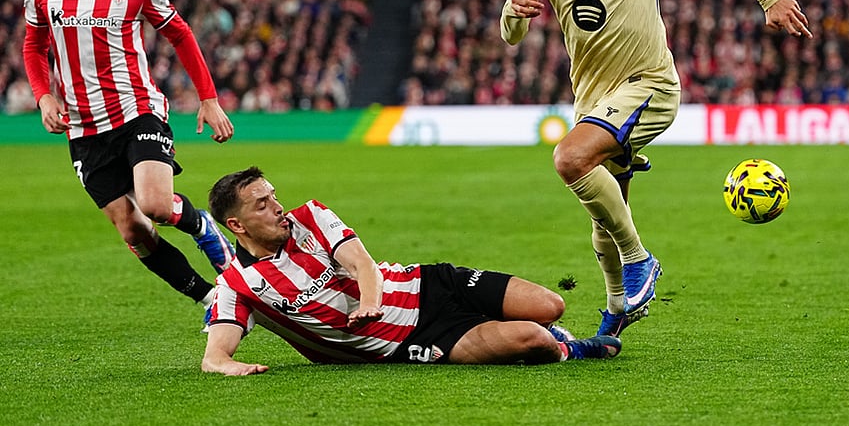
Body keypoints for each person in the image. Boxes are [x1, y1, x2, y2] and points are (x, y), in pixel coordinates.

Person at [500, 0, 812, 337]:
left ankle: (639, 259)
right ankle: (615, 318)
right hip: (592, 97)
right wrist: (512, 15)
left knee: (569, 159)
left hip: (649, 85)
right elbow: (513, 33)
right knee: (605, 214)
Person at [21, 0, 236, 326]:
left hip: (137, 109)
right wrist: (43, 95)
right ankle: (210, 298)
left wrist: (208, 99)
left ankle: (202, 229)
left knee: (156, 205)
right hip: (83, 127)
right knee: (134, 231)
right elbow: (34, 42)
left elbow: (179, 32)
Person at [201, 166, 621, 374]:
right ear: (236, 225)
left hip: (429, 284)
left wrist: (369, 302)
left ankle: (546, 333)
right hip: (421, 339)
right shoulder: (237, 285)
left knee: (550, 305)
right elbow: (215, 355)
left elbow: (361, 263)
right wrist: (229, 365)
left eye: (273, 196)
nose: (277, 207)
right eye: (262, 205)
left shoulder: (310, 217)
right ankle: (570, 349)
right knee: (533, 336)